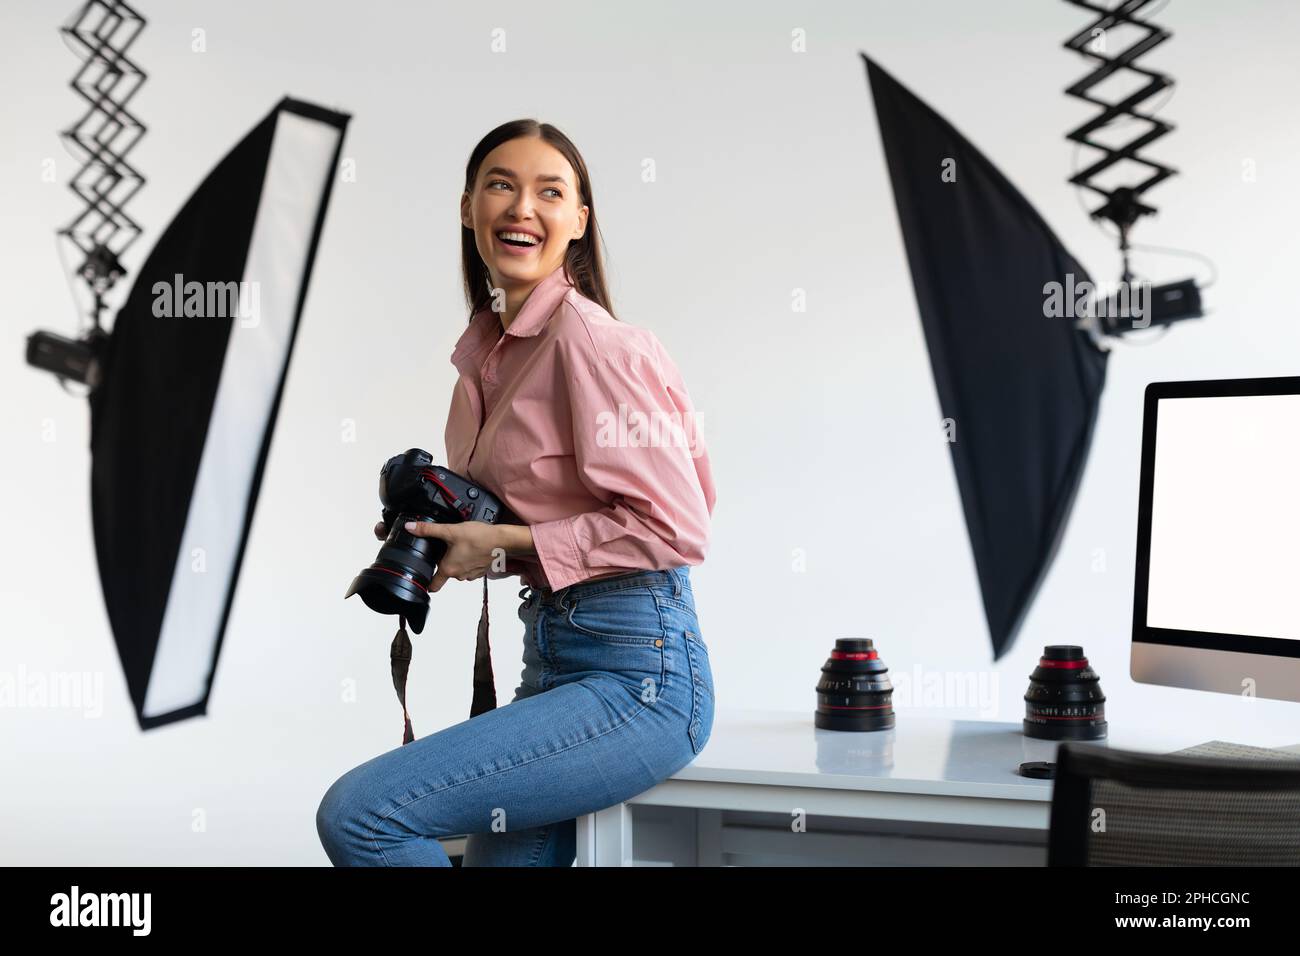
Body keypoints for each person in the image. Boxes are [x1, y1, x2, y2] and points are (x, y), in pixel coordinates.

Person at [315, 119, 717, 866]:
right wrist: (459, 549)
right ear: (468, 208)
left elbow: (677, 528)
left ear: (578, 222)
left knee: (362, 815)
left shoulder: (594, 344)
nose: (521, 207)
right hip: (554, 659)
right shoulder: (486, 357)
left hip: (640, 676)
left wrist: (502, 543)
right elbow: (552, 528)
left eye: (549, 191)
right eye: (500, 185)